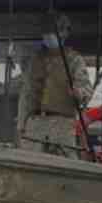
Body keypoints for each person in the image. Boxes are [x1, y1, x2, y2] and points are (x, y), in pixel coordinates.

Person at [16, 16, 94, 158]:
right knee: (27, 162)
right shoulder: (35, 59)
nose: (48, 36)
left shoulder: (74, 60)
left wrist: (78, 93)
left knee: (64, 164)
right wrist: (21, 124)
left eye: (53, 32)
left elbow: (86, 89)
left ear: (64, 33)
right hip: (35, 123)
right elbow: (26, 94)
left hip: (62, 124)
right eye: (46, 32)